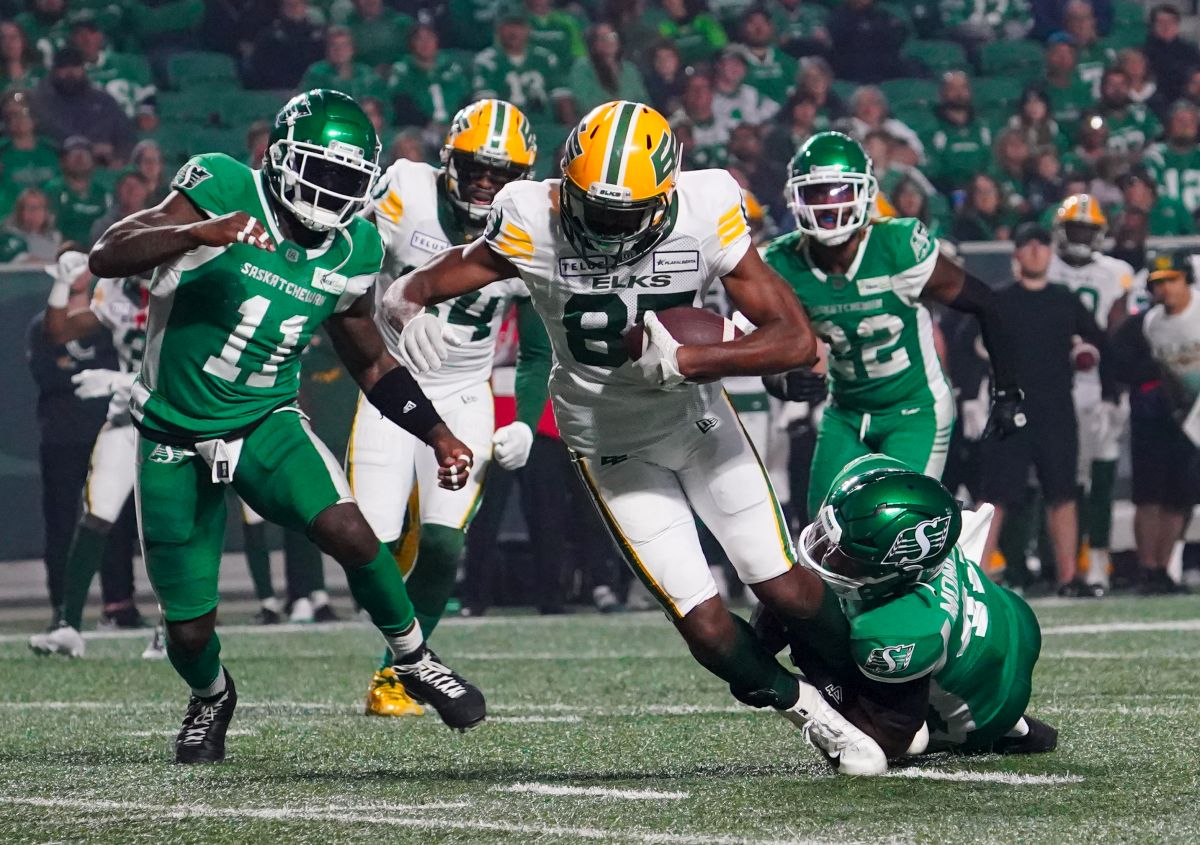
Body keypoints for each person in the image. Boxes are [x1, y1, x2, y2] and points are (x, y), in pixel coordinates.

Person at [386, 99, 891, 775]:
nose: (607, 226)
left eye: (626, 214)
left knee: (786, 588)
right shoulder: (530, 216)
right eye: (594, 207)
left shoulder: (705, 209)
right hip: (608, 441)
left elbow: (796, 341)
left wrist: (692, 359)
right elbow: (426, 281)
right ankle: (813, 712)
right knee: (705, 626)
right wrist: (406, 304)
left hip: (697, 422)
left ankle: (881, 695)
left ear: (665, 196)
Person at [86, 89, 485, 764]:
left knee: (351, 531)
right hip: (173, 430)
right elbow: (107, 252)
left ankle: (414, 657)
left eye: (348, 179)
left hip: (264, 419)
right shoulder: (223, 185)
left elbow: (368, 356)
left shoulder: (355, 246)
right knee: (188, 628)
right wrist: (192, 233)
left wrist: (436, 431)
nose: (333, 191)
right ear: (280, 158)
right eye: (321, 171)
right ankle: (211, 696)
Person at [351, 99, 540, 718]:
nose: (485, 182)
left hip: (463, 393)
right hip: (389, 384)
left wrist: (524, 419)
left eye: (500, 172)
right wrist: (390, 308)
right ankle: (400, 597)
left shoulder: (531, 227)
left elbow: (538, 348)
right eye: (475, 167)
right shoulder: (406, 191)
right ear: (448, 161)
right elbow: (350, 261)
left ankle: (398, 675)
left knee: (443, 545)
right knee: (369, 546)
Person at [763, 131, 1025, 518]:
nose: (828, 205)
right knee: (824, 531)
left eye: (838, 191)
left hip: (913, 410)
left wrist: (1007, 391)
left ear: (864, 192)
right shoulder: (782, 261)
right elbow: (760, 345)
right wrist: (781, 381)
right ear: (796, 198)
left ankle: (950, 557)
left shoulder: (895, 246)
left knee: (895, 524)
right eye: (816, 193)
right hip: (845, 411)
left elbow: (986, 303)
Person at [754, 454, 1058, 763]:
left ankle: (999, 726)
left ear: (897, 573)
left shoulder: (901, 625)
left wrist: (802, 657)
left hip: (985, 709)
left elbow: (892, 738)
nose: (825, 555)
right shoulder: (902, 511)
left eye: (844, 557)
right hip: (1012, 616)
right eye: (824, 532)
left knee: (907, 737)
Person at [979, 222, 1118, 597]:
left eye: (1042, 245)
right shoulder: (1000, 300)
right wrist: (972, 393)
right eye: (1029, 245)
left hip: (1056, 406)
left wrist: (1109, 393)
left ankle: (1069, 577)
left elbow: (1099, 342)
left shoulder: (1064, 299)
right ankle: (975, 575)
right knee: (995, 496)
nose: (1036, 251)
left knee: (1063, 492)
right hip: (1010, 406)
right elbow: (969, 345)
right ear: (1017, 253)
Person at [28, 250, 151, 658]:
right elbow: (58, 331)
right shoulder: (116, 290)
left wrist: (121, 380)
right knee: (96, 514)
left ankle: (175, 626)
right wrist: (62, 284)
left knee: (172, 524)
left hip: (177, 420)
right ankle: (68, 624)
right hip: (127, 418)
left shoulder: (190, 282)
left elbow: (193, 363)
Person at [24, 250, 120, 632]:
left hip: (109, 428)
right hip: (62, 437)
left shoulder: (110, 314)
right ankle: (63, 611)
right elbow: (51, 365)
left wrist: (116, 380)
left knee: (115, 520)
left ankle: (120, 604)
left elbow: (125, 362)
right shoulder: (45, 325)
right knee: (64, 525)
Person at [1046, 195, 1133, 588]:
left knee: (1101, 474)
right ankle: (1063, 562)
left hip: (1099, 385)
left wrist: (1116, 387)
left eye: (1087, 230)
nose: (1081, 237)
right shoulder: (1046, 266)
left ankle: (1098, 560)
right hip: (1055, 384)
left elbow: (1120, 334)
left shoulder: (1116, 273)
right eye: (1075, 229)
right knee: (1063, 479)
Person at [1111, 250, 1199, 594]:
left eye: (1172, 280)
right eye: (1158, 283)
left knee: (1181, 497)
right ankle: (1150, 569)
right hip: (1161, 417)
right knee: (1149, 495)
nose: (1165, 290)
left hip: (1193, 420)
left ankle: (1163, 565)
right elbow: (1122, 363)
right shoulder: (1148, 324)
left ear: (1187, 279)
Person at [29, 46, 135, 166]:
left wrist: (118, 155)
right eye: (64, 67)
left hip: (102, 166)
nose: (70, 72)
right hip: (57, 166)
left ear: (83, 69)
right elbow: (39, 138)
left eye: (75, 66)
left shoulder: (104, 101)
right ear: (54, 71)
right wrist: (83, 148)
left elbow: (125, 135)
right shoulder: (41, 103)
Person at [473, 3, 571, 125]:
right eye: (508, 25)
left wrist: (569, 129)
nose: (514, 31)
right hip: (506, 128)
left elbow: (562, 98)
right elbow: (485, 107)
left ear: (528, 29)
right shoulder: (487, 61)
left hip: (544, 127)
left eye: (519, 26)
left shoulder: (545, 58)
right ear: (498, 28)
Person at [388, 24, 470, 131]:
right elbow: (401, 106)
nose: (425, 43)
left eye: (429, 38)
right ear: (411, 43)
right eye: (419, 39)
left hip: (456, 126)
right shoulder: (402, 72)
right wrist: (426, 124)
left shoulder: (453, 67)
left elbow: (465, 98)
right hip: (419, 130)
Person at [565, 22, 648, 118]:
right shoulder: (583, 67)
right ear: (593, 43)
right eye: (603, 38)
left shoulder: (629, 69)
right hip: (598, 121)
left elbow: (643, 101)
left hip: (633, 121)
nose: (609, 41)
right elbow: (584, 102)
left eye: (612, 36)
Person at [43, 136, 110, 246]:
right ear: (63, 161)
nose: (79, 159)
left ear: (93, 162)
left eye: (85, 155)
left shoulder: (102, 193)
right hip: (61, 249)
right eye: (73, 155)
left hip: (98, 249)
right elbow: (48, 228)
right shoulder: (53, 190)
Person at [244, 0, 324, 91]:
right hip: (277, 90)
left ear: (305, 7)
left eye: (298, 4)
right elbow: (260, 67)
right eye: (289, 5)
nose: (294, 8)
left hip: (312, 89)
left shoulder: (319, 35)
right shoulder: (268, 35)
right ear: (282, 8)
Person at [1144, 101, 1200, 221]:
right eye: (1180, 121)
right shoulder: (1155, 155)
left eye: (1190, 121)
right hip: (1165, 221)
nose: (1185, 126)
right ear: (1169, 124)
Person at [1144, 3, 1200, 106]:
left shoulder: (1190, 51)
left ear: (1177, 25)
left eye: (1171, 22)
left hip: (1187, 101)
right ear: (1153, 26)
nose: (1166, 26)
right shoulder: (1144, 52)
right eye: (1161, 22)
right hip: (1154, 101)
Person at [4, 186, 61, 262]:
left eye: (38, 208)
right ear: (20, 212)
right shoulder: (9, 236)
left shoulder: (55, 237)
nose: (34, 213)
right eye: (30, 208)